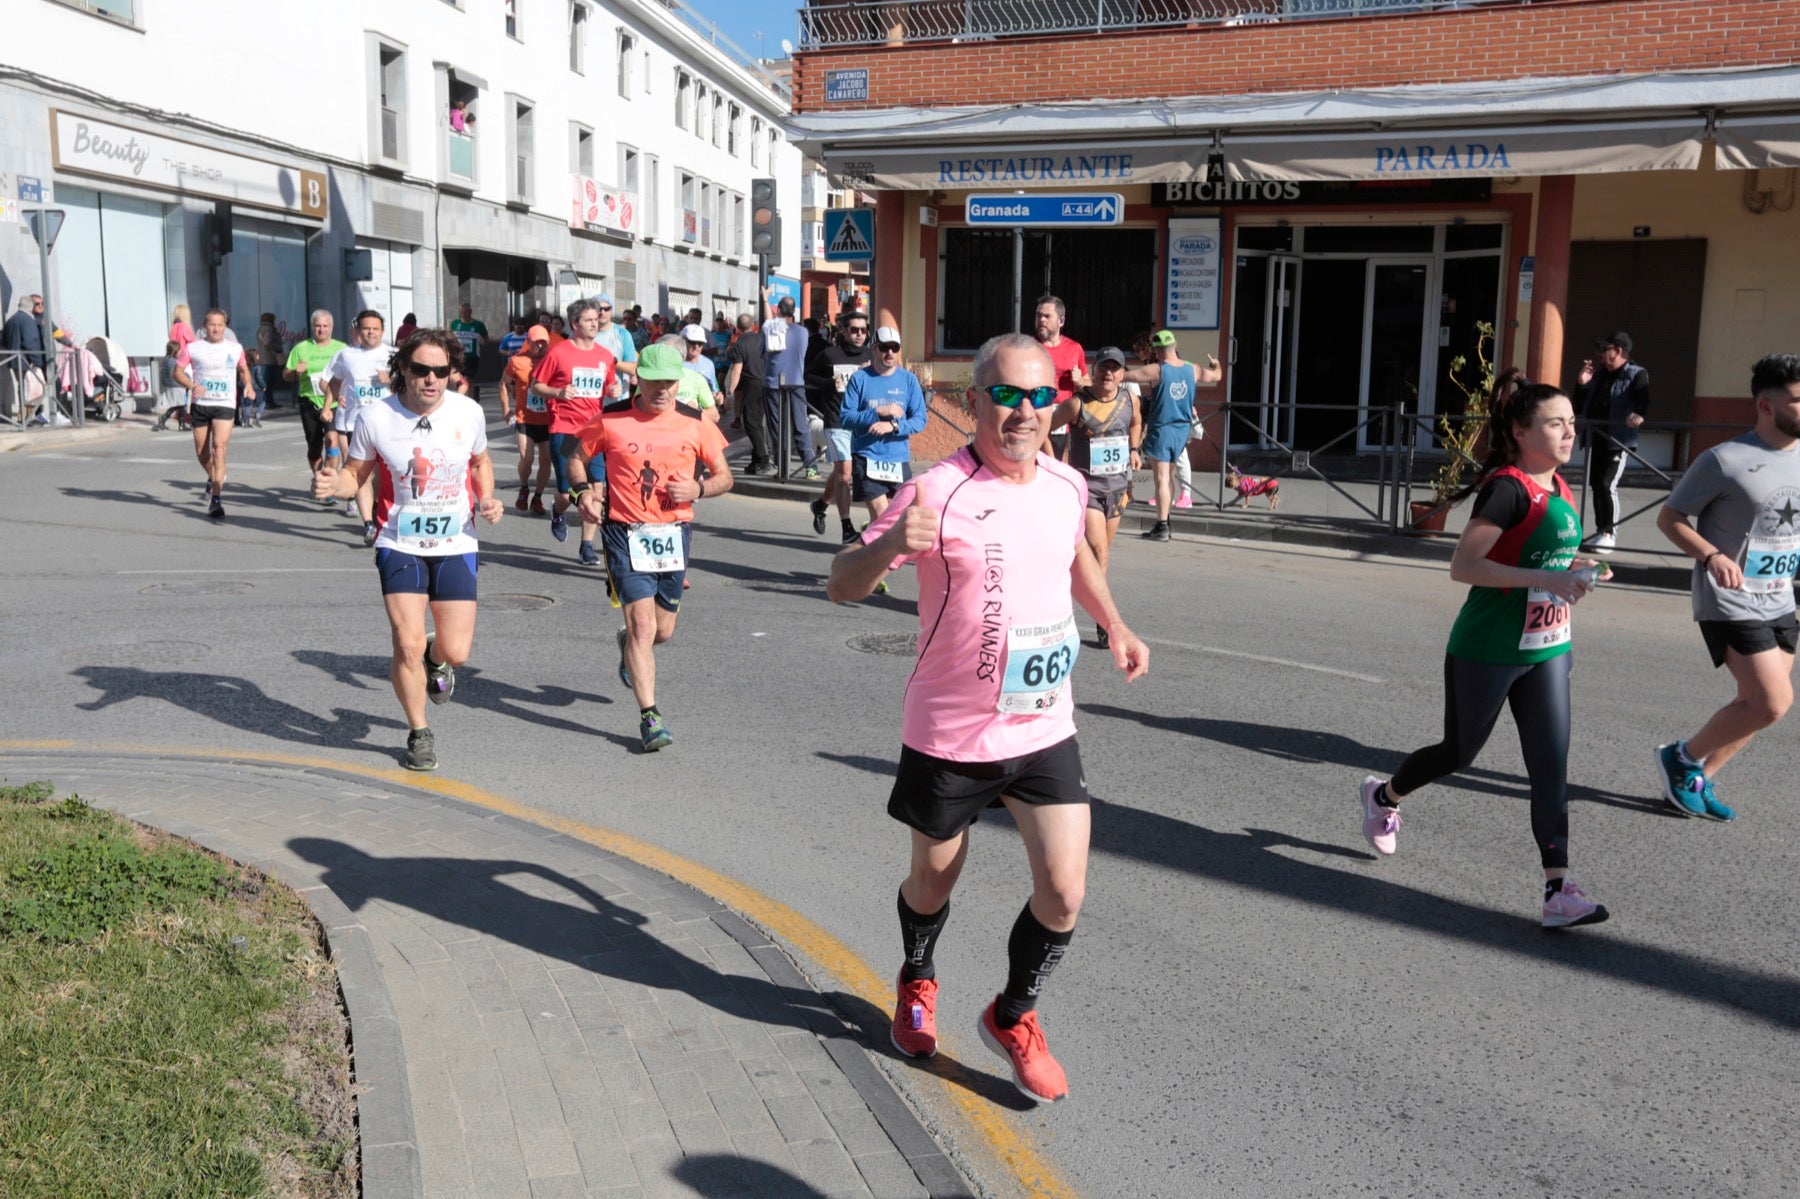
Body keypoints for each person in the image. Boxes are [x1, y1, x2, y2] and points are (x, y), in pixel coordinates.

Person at [825, 333, 1150, 1105]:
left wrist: (1117, 623)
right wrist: (883, 552)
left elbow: (1074, 556)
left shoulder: (1068, 486)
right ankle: (918, 975)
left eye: (1040, 396)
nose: (1026, 410)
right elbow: (840, 584)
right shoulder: (936, 490)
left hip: (1041, 725)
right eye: (1008, 394)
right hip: (950, 734)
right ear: (976, 401)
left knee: (1064, 892)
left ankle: (1013, 1014)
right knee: (932, 884)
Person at [1356, 369, 1611, 929]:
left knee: (1550, 766)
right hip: (1487, 647)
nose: (1569, 433)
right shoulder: (1508, 488)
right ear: (1521, 431)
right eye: (1555, 424)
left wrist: (1577, 572)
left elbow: (1542, 562)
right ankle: (1384, 796)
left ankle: (1557, 889)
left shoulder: (1561, 486)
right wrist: (1544, 579)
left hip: (1546, 646)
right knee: (1458, 753)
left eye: (1572, 423)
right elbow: (1464, 567)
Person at [312, 329, 504, 772]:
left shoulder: (469, 412)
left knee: (456, 651)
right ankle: (419, 731)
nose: (432, 379)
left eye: (441, 371)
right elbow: (354, 474)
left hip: (456, 540)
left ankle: (438, 661)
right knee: (406, 641)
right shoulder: (376, 417)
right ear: (403, 370)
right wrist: (332, 485)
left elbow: (480, 462)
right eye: (421, 370)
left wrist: (488, 497)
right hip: (399, 541)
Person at [1652, 353, 1800, 821]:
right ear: (1765, 406)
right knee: (1773, 703)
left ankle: (1697, 777)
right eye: (1797, 400)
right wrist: (1711, 556)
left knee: (1754, 705)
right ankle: (1681, 757)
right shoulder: (1725, 460)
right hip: (1731, 598)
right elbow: (1669, 517)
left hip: (1781, 595)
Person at [568, 343, 733, 751]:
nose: (662, 390)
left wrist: (698, 487)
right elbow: (576, 459)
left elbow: (725, 477)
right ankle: (650, 717)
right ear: (637, 378)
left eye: (670, 383)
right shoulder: (612, 418)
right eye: (654, 382)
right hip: (624, 532)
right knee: (643, 625)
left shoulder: (695, 422)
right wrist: (582, 494)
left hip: (674, 534)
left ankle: (627, 645)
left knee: (662, 630)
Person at [1053, 346, 1142, 648]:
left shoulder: (1130, 400)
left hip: (1117, 491)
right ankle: (1105, 619)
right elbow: (1044, 429)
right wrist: (1052, 466)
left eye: (1114, 368)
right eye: (1103, 367)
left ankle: (1064, 588)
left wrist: (1134, 449)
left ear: (1122, 373)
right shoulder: (1077, 404)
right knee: (1099, 552)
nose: (1108, 373)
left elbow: (1136, 423)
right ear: (1093, 370)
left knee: (1100, 558)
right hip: (1087, 490)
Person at [532, 299, 619, 567]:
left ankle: (587, 546)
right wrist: (557, 392)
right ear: (574, 324)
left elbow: (609, 386)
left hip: (595, 430)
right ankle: (557, 512)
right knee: (567, 492)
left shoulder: (605, 356)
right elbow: (536, 386)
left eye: (597, 319)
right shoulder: (558, 353)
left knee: (596, 487)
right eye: (589, 320)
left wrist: (613, 391)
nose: (596, 323)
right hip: (566, 428)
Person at [1125, 330, 1221, 541]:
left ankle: (1162, 526)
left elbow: (1124, 376)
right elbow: (1217, 375)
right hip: (1181, 431)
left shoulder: (1156, 370)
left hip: (1162, 429)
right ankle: (1166, 520)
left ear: (1157, 350)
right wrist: (1216, 364)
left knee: (1161, 479)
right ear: (1175, 346)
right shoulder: (1193, 369)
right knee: (1168, 477)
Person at [839, 324, 926, 531]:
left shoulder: (909, 380)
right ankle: (878, 555)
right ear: (874, 349)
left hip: (897, 459)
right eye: (884, 347)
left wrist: (894, 426)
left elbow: (920, 420)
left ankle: (870, 536)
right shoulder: (860, 379)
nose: (889, 353)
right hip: (866, 456)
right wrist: (877, 412)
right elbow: (845, 417)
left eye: (894, 348)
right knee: (882, 515)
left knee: (893, 519)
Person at [173, 308, 255, 520]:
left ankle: (216, 500)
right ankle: (214, 475)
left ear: (225, 326)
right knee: (202, 452)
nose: (216, 328)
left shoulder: (235, 348)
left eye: (220, 325)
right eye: (212, 324)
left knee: (219, 448)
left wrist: (248, 386)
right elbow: (177, 372)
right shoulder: (193, 348)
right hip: (201, 403)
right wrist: (192, 385)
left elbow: (244, 370)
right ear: (204, 326)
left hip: (225, 404)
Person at [1574, 331, 1649, 554]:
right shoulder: (1598, 375)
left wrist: (1638, 414)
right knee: (1596, 485)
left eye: (1604, 350)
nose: (1600, 354)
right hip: (1596, 437)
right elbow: (1579, 405)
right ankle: (1600, 531)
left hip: (1617, 440)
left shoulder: (1636, 374)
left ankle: (1609, 533)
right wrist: (1582, 383)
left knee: (1607, 484)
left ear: (1618, 351)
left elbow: (1643, 397)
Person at [325, 310, 393, 546]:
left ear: (382, 331)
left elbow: (409, 387)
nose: (370, 332)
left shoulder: (394, 355)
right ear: (358, 331)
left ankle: (376, 508)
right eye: (366, 328)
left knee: (383, 476)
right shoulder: (347, 355)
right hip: (357, 423)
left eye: (375, 328)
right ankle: (368, 524)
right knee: (361, 475)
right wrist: (328, 406)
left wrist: (391, 381)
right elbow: (334, 381)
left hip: (388, 424)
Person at [805, 312, 874, 540]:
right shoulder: (829, 354)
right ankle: (846, 527)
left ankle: (821, 505)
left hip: (862, 422)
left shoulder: (871, 355)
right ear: (843, 330)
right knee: (845, 473)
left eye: (863, 330)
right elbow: (807, 376)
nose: (859, 335)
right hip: (837, 420)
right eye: (854, 330)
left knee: (839, 471)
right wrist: (828, 383)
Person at [284, 310, 346, 475]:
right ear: (312, 327)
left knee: (332, 441)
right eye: (318, 326)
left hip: (333, 403)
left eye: (325, 326)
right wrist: (296, 372)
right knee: (314, 449)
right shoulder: (301, 348)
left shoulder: (341, 349)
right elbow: (286, 375)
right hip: (309, 402)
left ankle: (328, 481)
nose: (321, 330)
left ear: (331, 327)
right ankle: (318, 476)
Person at [503, 324, 555, 514]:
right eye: (536, 343)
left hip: (548, 421)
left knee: (546, 460)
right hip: (525, 418)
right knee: (527, 459)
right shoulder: (517, 361)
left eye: (544, 343)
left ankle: (538, 497)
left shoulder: (554, 360)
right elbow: (503, 383)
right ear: (529, 342)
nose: (540, 347)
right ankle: (524, 488)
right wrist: (506, 409)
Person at [762, 293, 813, 477]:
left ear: (778, 310)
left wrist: (765, 300)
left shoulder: (771, 329)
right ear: (794, 311)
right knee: (801, 426)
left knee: (777, 428)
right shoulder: (803, 332)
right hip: (797, 384)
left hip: (773, 384)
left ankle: (782, 467)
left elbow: (769, 324)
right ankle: (811, 466)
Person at [1033, 296, 1085, 462]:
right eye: (1038, 315)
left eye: (1047, 316)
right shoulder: (1028, 347)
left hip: (1062, 419)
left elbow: (1089, 386)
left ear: (1061, 320)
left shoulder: (1074, 349)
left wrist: (1080, 381)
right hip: (1034, 414)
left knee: (1053, 463)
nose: (1041, 320)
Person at [724, 313, 769, 473]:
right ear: (752, 325)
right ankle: (756, 459)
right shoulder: (762, 338)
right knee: (756, 423)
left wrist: (729, 393)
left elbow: (737, 371)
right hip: (766, 384)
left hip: (753, 385)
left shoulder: (740, 344)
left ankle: (763, 459)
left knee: (750, 423)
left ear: (737, 327)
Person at [2, 294, 47, 422]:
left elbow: (3, 339)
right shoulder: (28, 320)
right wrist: (37, 362)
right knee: (30, 389)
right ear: (31, 307)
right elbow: (30, 342)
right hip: (27, 361)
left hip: (14, 361)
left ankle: (24, 418)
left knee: (22, 388)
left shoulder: (11, 320)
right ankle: (26, 419)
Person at [679, 324, 723, 423]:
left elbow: (714, 389)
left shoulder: (708, 364)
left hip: (704, 420)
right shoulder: (674, 363)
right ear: (683, 340)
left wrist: (719, 396)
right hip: (681, 420)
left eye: (700, 343)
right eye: (692, 342)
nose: (696, 346)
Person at [449, 302, 489, 400]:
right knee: (457, 378)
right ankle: (470, 393)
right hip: (458, 356)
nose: (464, 314)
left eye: (466, 312)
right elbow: (450, 338)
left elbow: (486, 339)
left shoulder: (478, 325)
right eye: (462, 312)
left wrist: (483, 342)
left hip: (472, 357)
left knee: (468, 378)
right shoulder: (455, 324)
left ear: (470, 312)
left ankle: (469, 399)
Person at [251, 312, 283, 422]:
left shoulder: (260, 329)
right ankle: (268, 401)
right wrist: (278, 348)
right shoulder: (269, 329)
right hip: (270, 358)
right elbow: (269, 342)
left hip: (264, 358)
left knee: (265, 381)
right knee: (268, 381)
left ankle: (265, 401)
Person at [152, 340, 187, 431]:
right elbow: (179, 374)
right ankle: (179, 424)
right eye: (179, 350)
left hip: (170, 385)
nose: (180, 352)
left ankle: (166, 420)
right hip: (177, 385)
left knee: (179, 405)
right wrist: (187, 380)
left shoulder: (166, 360)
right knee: (181, 405)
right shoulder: (175, 362)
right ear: (174, 350)